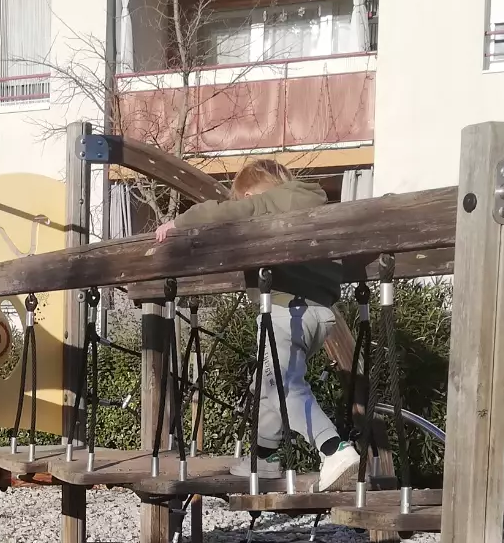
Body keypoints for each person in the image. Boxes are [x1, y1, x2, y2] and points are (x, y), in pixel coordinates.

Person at [153, 158, 362, 490]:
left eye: (242, 199)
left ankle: (334, 449)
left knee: (281, 385)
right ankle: (264, 458)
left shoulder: (264, 205)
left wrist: (178, 222)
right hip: (320, 314)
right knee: (267, 382)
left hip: (283, 310)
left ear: (249, 194)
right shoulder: (311, 205)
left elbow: (220, 214)